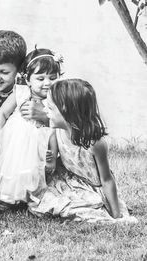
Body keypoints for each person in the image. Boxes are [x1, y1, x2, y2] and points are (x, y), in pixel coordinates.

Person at [29, 78, 137, 223]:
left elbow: (106, 179)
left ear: (66, 110)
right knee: (40, 199)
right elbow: (52, 163)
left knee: (82, 209)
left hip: (90, 188)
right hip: (68, 181)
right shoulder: (57, 131)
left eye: (50, 108)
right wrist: (48, 159)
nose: (45, 111)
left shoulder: (95, 144)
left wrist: (116, 214)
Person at [0, 48, 61, 207]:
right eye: (40, 78)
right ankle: (8, 197)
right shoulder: (21, 93)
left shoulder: (58, 99)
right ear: (28, 80)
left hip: (42, 142)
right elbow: (2, 114)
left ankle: (30, 197)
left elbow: (57, 130)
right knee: (14, 169)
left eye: (53, 78)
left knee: (35, 170)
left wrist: (53, 156)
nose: (47, 83)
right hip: (18, 142)